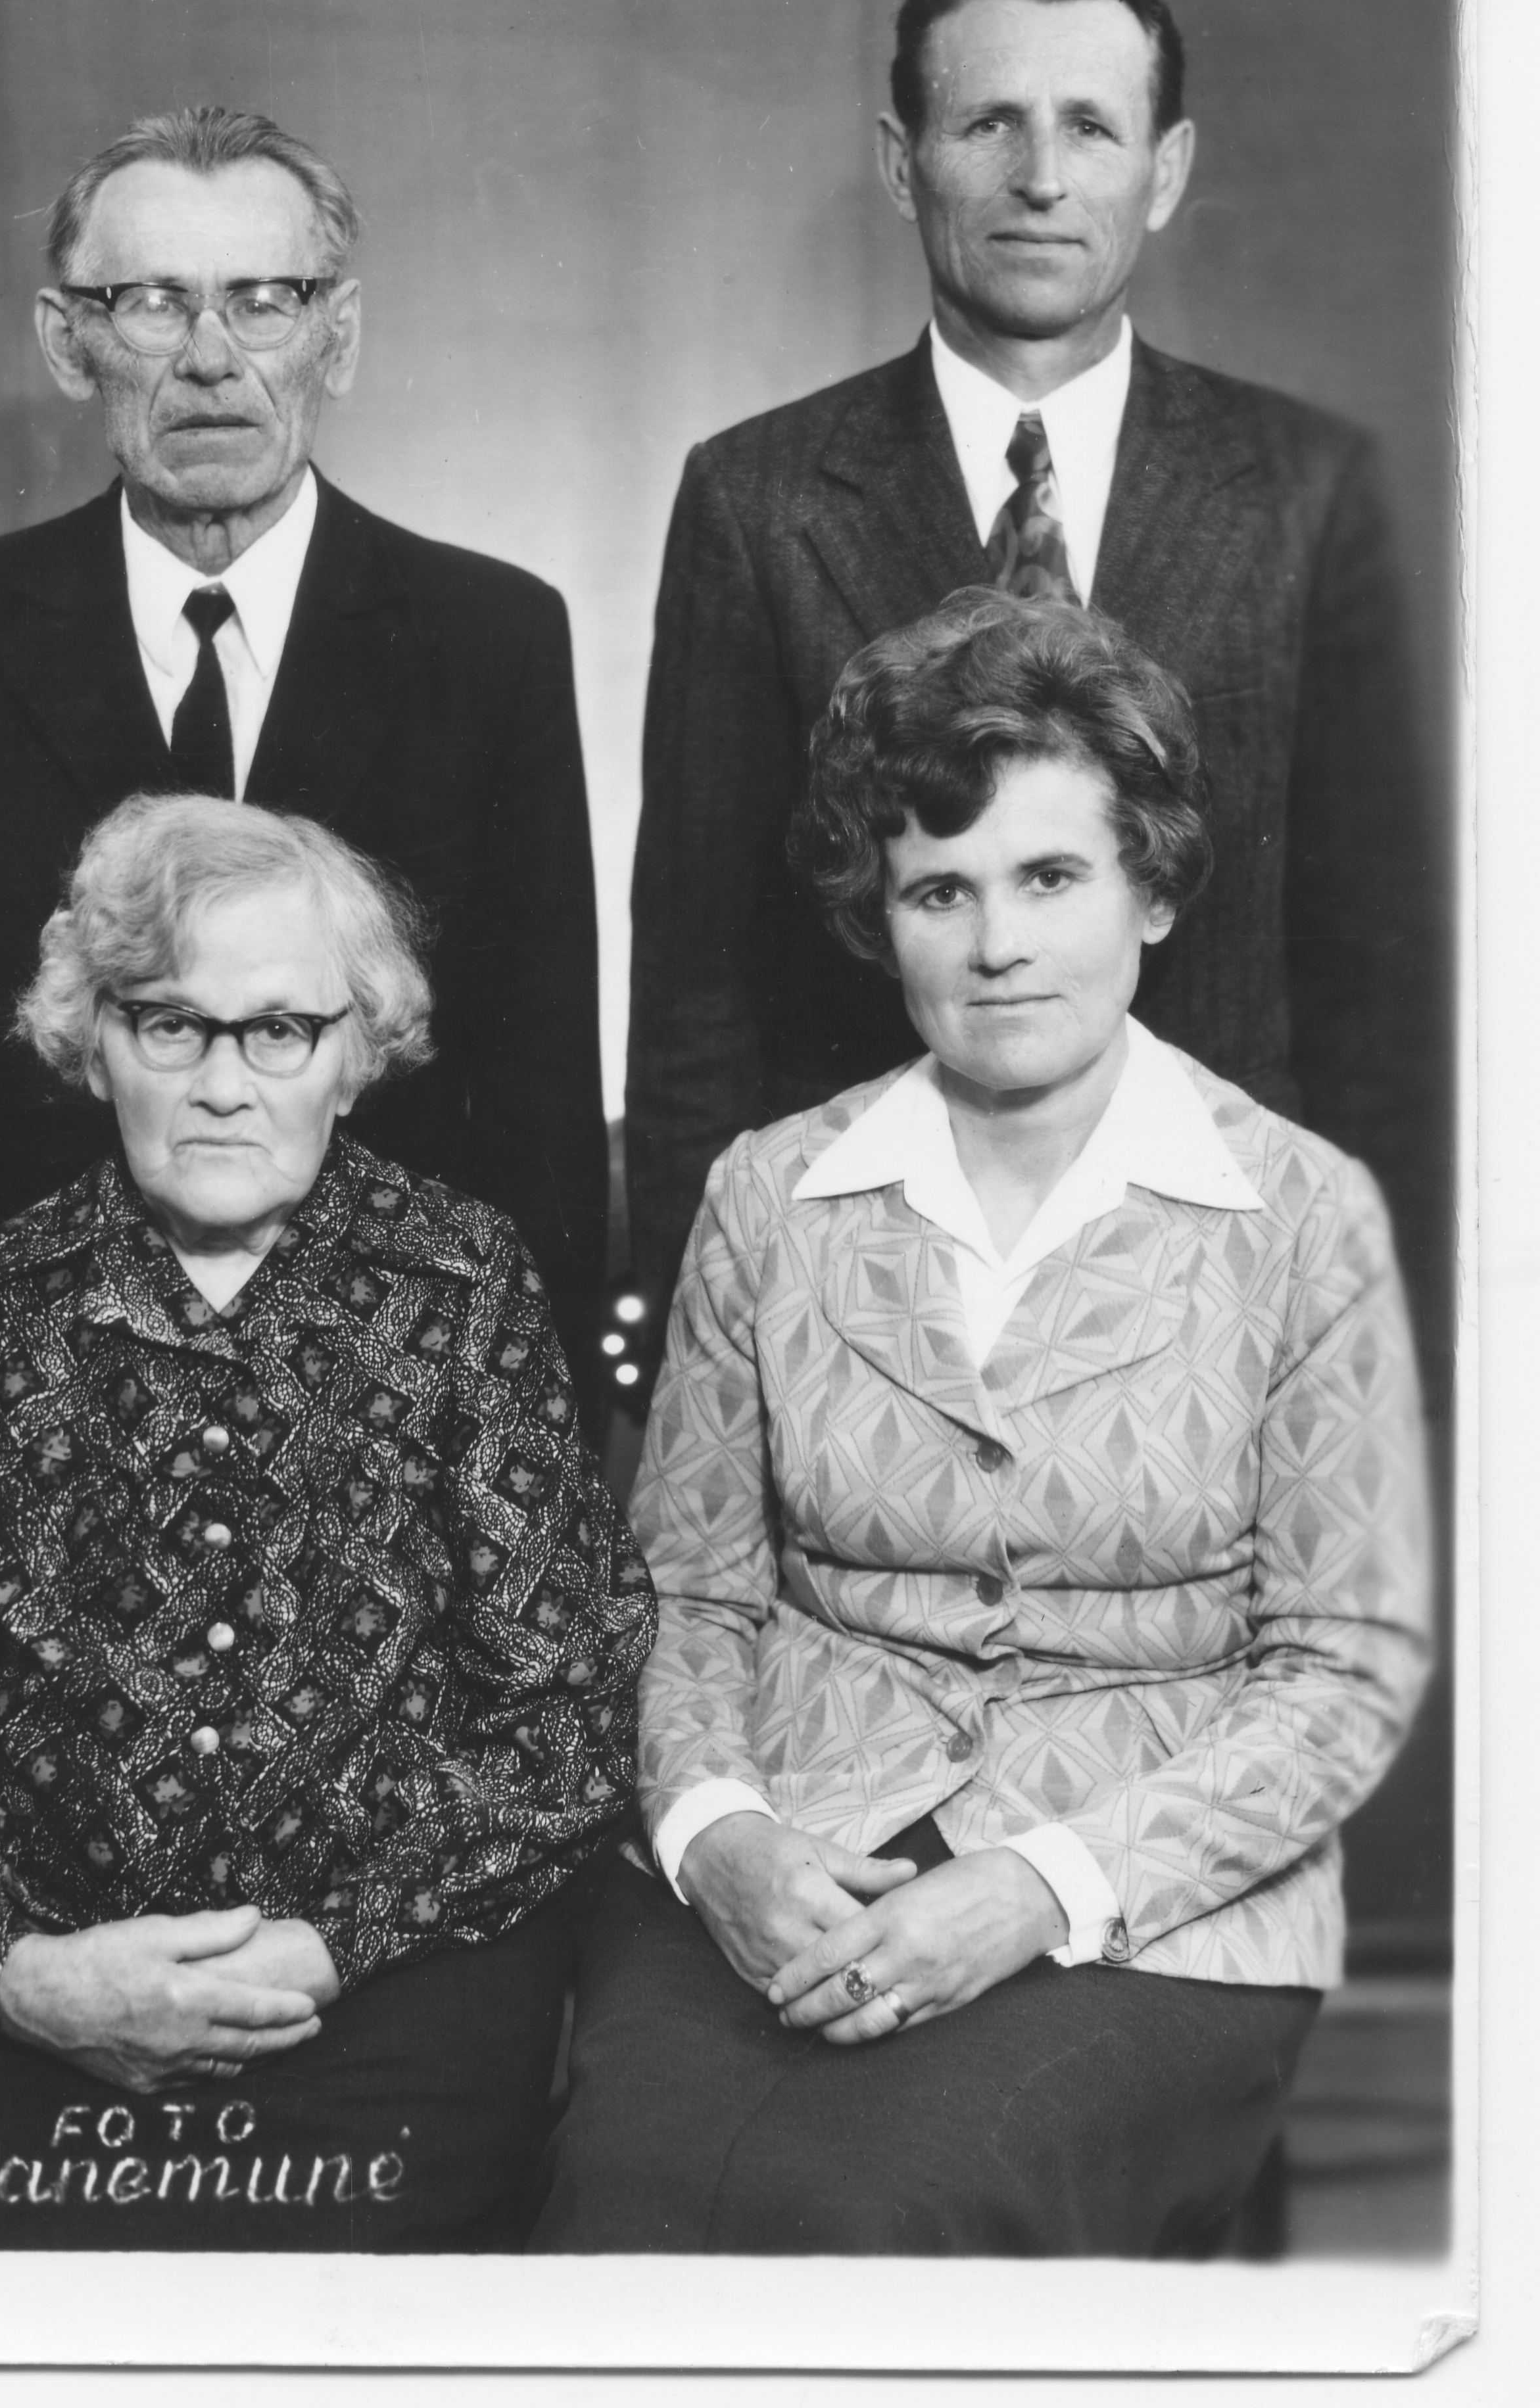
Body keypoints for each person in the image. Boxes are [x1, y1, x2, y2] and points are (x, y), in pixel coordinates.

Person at [537, 592, 1428, 2256]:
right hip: (796, 1842)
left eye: (1051, 878)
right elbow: (691, 1598)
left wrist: (1039, 1888)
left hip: (1156, 1899)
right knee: (624, 2198)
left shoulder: (1302, 1215)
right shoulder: (770, 1194)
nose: (997, 943)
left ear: (1152, 890)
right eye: (940, 891)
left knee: (892, 2209)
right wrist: (719, 1837)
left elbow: (1343, 1670)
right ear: (881, 923)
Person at [0, 794, 655, 2251]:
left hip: (384, 1992)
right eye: (170, 1026)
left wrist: (333, 1944)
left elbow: (569, 1707)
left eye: (281, 1031)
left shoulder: (461, 1285)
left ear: (356, 1054)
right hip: (42, 1999)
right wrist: (28, 1972)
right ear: (95, 1046)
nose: (223, 1083)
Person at [625, 0, 1442, 1356]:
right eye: (989, 123)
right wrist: (714, 1335)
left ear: (1167, 169)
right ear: (902, 161)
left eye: (1090, 127)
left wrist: (1389, 1340)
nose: (1043, 179)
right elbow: (701, 973)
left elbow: (1377, 980)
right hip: (866, 1305)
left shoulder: (1309, 490)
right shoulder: (753, 498)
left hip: (1226, 1303)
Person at [0, 105, 608, 1467]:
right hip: (35, 1435)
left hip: (386, 1429)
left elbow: (536, 1110)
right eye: (149, 304)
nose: (208, 360)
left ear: (338, 336)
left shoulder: (490, 639)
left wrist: (522, 1463)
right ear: (67, 343)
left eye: (263, 301)